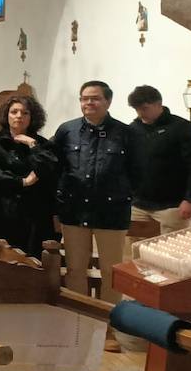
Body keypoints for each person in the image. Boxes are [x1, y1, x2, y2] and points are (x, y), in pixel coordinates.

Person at [51, 80, 142, 319]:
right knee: (74, 270)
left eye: (95, 98)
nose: (89, 103)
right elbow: (54, 167)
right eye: (84, 98)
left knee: (112, 272)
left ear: (108, 101)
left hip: (111, 213)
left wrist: (125, 195)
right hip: (74, 211)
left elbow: (138, 171)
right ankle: (78, 320)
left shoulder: (126, 133)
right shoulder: (66, 131)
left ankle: (107, 325)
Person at [0, 94, 60, 257]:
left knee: (31, 259)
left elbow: (48, 170)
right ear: (6, 115)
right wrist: (22, 181)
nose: (19, 116)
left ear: (32, 117)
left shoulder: (42, 144)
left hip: (34, 210)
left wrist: (32, 144)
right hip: (0, 208)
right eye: (14, 112)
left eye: (25, 113)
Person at [127, 85, 191, 235]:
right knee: (135, 252)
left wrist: (189, 199)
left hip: (172, 205)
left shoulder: (182, 128)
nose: (140, 113)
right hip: (138, 205)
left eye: (144, 108)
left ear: (158, 104)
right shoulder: (133, 129)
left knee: (171, 252)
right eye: (137, 109)